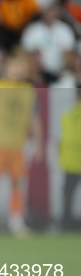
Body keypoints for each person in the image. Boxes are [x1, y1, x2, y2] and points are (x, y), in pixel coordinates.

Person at [0, 57, 42, 237]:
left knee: (18, 183)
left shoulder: (28, 92)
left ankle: (16, 222)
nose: (16, 71)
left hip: (18, 144)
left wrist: (39, 143)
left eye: (20, 67)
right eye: (13, 66)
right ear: (6, 68)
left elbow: (35, 119)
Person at [59, 88, 81, 231]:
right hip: (71, 162)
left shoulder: (66, 116)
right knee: (68, 196)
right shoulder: (67, 116)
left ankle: (66, 225)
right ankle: (66, 224)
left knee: (68, 196)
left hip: (70, 162)